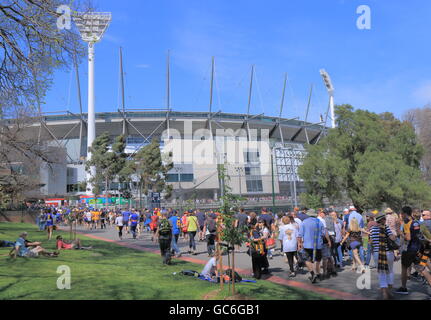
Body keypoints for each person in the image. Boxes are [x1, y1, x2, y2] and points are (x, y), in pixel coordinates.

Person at [396, 206, 431, 295]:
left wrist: (401, 233)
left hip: (409, 249)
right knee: (422, 269)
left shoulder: (407, 223)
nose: (401, 215)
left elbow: (408, 238)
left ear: (404, 214)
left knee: (404, 268)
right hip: (417, 248)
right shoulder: (417, 223)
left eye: (401, 213)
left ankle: (403, 288)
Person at [298, 209, 330, 283]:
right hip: (318, 244)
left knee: (307, 259)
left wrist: (299, 243)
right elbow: (323, 233)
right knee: (317, 260)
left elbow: (300, 234)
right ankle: (317, 273)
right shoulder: (319, 222)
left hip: (307, 244)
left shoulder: (304, 222)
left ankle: (313, 273)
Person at [369, 212, 396, 300]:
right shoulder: (386, 228)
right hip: (387, 252)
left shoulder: (372, 229)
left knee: (381, 273)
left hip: (377, 253)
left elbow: (371, 242)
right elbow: (392, 238)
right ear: (383, 220)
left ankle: (385, 293)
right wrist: (395, 235)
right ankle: (389, 291)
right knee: (390, 271)